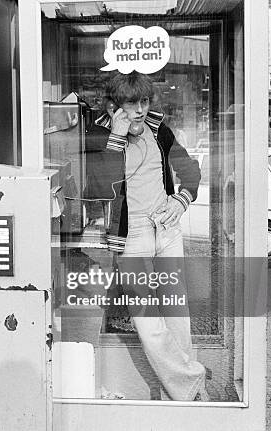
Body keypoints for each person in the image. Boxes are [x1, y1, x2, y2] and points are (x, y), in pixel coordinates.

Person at [83, 72, 208, 401]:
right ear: (114, 106)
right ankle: (191, 382)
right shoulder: (99, 134)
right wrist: (116, 138)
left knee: (176, 311)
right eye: (131, 103)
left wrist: (183, 199)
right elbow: (97, 188)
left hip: (166, 228)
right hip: (131, 233)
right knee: (147, 320)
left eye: (144, 101)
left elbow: (190, 169)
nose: (139, 110)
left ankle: (181, 394)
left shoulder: (158, 129)